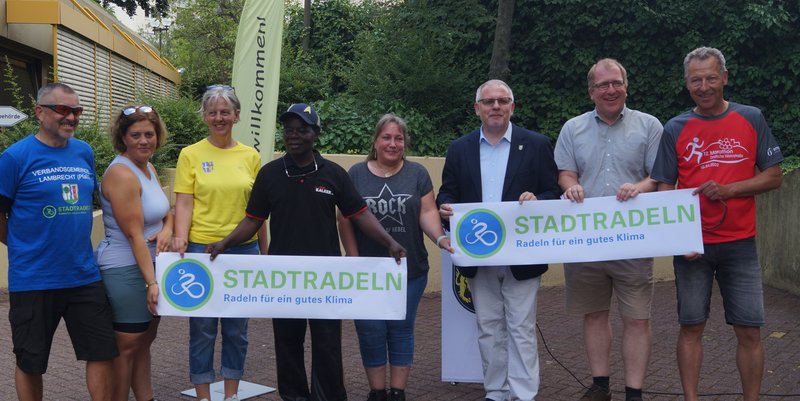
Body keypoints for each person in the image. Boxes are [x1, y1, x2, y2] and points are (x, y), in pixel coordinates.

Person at [206, 103, 407, 401]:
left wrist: (389, 242)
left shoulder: (333, 174)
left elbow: (359, 214)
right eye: (289, 130)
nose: (294, 136)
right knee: (287, 343)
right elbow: (252, 221)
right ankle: (295, 397)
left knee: (327, 343)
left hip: (325, 277)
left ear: (316, 134)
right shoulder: (270, 174)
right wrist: (225, 243)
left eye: (302, 130)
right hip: (284, 277)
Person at [651, 47, 783, 401]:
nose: (704, 86)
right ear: (687, 84)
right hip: (693, 246)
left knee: (749, 331)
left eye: (711, 77)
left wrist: (729, 190)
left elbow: (774, 176)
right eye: (696, 80)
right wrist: (679, 240)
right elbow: (664, 189)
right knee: (691, 327)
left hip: (741, 244)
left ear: (724, 77)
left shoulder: (751, 117)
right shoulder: (675, 127)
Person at [437, 80, 561, 401]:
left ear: (512, 107)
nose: (496, 106)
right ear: (477, 108)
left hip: (522, 253)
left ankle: (522, 394)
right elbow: (447, 193)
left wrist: (538, 199)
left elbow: (553, 192)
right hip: (479, 253)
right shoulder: (459, 148)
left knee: (521, 327)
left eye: (502, 101)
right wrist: (446, 207)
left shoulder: (536, 144)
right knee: (489, 326)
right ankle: (495, 391)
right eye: (489, 101)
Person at [0, 83, 118, 400]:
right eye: (63, 110)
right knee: (30, 361)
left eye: (76, 111)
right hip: (34, 279)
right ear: (40, 112)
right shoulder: (14, 158)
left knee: (102, 352)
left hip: (83, 274)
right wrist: (22, 245)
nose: (72, 117)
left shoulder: (83, 151)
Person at [554, 58, 663, 401]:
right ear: (591, 92)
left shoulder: (650, 126)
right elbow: (565, 172)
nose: (611, 89)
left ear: (626, 87)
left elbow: (658, 176)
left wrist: (639, 188)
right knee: (594, 315)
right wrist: (571, 186)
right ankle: (600, 386)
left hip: (633, 238)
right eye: (603, 85)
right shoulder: (572, 128)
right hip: (586, 239)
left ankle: (634, 392)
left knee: (637, 319)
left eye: (616, 83)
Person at [337, 114, 453, 401]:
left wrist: (440, 238)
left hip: (410, 270)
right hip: (367, 270)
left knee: (401, 328)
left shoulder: (417, 174)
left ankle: (398, 392)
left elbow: (428, 211)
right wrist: (354, 258)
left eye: (398, 138)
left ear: (405, 142)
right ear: (375, 141)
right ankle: (377, 392)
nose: (393, 143)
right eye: (386, 137)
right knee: (370, 330)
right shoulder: (356, 174)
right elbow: (344, 217)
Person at [172, 85, 266, 401]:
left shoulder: (251, 156)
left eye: (225, 112)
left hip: (243, 249)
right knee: (202, 328)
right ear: (204, 117)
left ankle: (230, 395)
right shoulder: (190, 154)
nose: (219, 118)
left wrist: (264, 252)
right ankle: (203, 395)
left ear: (236, 115)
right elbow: (184, 202)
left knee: (237, 329)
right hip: (202, 249)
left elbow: (258, 211)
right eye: (212, 112)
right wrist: (180, 237)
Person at [96, 105, 173, 401]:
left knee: (144, 342)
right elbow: (134, 235)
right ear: (123, 137)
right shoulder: (122, 174)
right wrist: (151, 282)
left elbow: (165, 212)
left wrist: (167, 230)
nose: (144, 141)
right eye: (136, 135)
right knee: (127, 346)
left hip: (151, 265)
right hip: (127, 269)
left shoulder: (148, 168)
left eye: (149, 134)